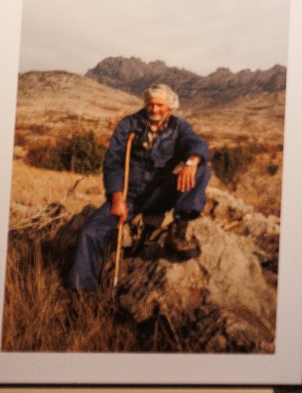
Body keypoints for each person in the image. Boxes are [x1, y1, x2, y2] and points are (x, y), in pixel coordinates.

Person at [64, 84, 212, 290]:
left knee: (202, 168)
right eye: (150, 104)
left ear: (169, 106)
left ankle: (179, 228)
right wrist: (116, 198)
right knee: (90, 231)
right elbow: (113, 162)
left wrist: (191, 161)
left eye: (159, 105)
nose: (154, 109)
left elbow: (199, 145)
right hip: (129, 196)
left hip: (161, 194)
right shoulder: (129, 125)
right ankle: (81, 289)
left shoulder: (179, 128)